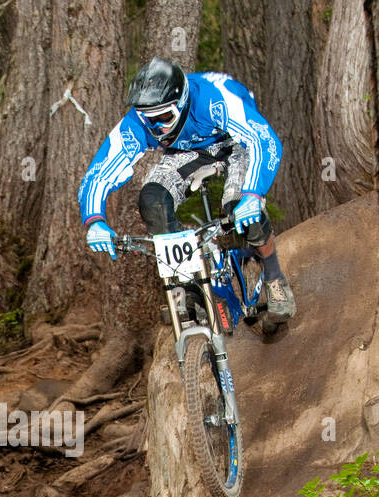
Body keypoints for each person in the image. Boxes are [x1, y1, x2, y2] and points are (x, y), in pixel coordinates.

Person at [78, 57, 296, 323]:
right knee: (153, 200)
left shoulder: (214, 98)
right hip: (188, 152)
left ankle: (274, 278)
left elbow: (264, 140)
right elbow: (98, 172)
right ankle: (188, 284)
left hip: (235, 141)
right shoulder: (137, 120)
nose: (157, 127)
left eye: (164, 117)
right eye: (150, 121)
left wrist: (252, 195)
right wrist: (95, 221)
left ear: (180, 103)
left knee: (240, 208)